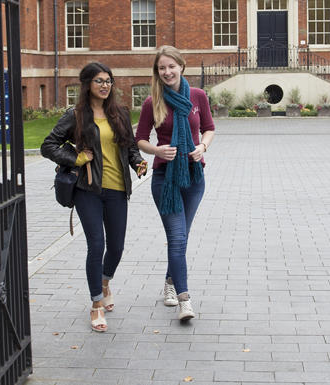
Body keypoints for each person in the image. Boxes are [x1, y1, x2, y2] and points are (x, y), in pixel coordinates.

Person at [41, 62, 147, 332]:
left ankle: (104, 281)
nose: (105, 85)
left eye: (108, 80)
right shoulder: (75, 115)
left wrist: (138, 163)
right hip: (88, 190)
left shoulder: (120, 113)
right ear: (87, 83)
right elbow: (48, 145)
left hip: (117, 189)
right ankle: (96, 304)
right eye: (99, 80)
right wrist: (75, 158)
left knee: (117, 247)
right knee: (96, 245)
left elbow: (130, 146)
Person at [136, 46, 215, 321]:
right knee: (178, 239)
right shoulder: (152, 102)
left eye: (171, 66)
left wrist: (202, 147)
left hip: (193, 177)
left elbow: (209, 128)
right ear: (157, 73)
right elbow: (141, 139)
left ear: (181, 66)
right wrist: (157, 151)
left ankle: (170, 282)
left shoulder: (198, 96)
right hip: (165, 180)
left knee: (181, 238)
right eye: (162, 68)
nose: (167, 72)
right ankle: (184, 300)